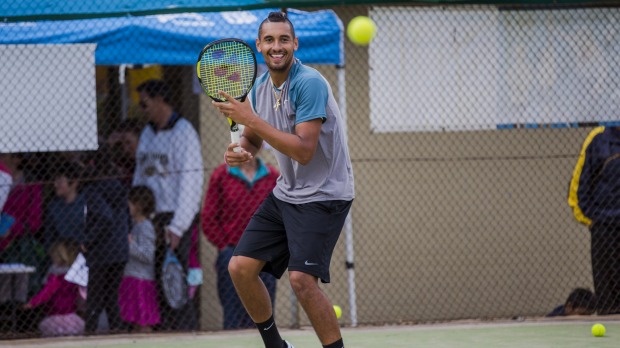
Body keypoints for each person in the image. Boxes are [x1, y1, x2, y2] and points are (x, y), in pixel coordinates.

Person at [211, 11, 354, 348]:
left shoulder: (310, 83)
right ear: (259, 45)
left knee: (302, 280)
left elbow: (304, 150)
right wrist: (239, 151)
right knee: (240, 268)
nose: (277, 46)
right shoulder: (260, 87)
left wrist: (251, 121)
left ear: (295, 44)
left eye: (284, 40)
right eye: (270, 40)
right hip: (288, 193)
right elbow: (253, 139)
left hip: (324, 195)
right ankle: (276, 345)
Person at [133, 79, 204, 331]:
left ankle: (185, 333)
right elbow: (140, 177)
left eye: (145, 103)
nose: (143, 109)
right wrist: (136, 214)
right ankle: (164, 334)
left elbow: (191, 182)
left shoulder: (183, 132)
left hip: (173, 218)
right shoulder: (147, 133)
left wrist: (178, 226)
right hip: (148, 218)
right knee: (154, 282)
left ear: (160, 100)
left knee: (175, 283)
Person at [201, 156, 279, 330]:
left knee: (263, 313)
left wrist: (272, 248)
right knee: (233, 313)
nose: (246, 143)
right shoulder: (220, 175)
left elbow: (281, 216)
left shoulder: (272, 176)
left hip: (264, 254)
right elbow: (208, 218)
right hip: (231, 252)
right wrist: (224, 247)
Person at [568, 125, 620, 315]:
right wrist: (596, 222)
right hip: (605, 231)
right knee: (610, 304)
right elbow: (578, 190)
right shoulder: (598, 139)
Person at [81, 145, 130, 334]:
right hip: (119, 249)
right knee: (111, 296)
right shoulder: (117, 184)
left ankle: (90, 333)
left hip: (102, 250)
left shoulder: (93, 188)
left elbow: (104, 217)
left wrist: (87, 240)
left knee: (94, 296)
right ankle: (117, 330)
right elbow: (124, 214)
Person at [118, 185, 160, 333]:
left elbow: (147, 255)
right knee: (136, 323)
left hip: (141, 281)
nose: (127, 206)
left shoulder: (145, 227)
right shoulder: (134, 225)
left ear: (139, 205)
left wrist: (130, 244)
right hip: (132, 277)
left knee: (143, 323)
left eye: (130, 203)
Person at [22, 240, 84, 337]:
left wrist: (32, 302)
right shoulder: (74, 275)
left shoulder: (56, 277)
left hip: (56, 316)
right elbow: (81, 296)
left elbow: (46, 292)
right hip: (71, 316)